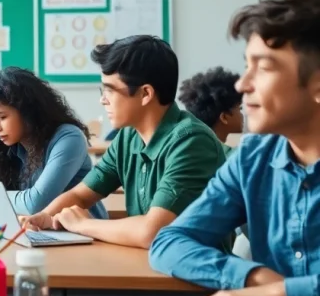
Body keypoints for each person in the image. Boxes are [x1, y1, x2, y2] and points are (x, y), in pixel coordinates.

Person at [150, 0, 320, 296]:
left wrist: (282, 293)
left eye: (264, 68)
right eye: (246, 65)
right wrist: (255, 277)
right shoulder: (253, 158)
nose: (242, 84)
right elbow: (169, 243)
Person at [20, 35, 227, 249]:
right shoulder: (128, 137)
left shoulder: (191, 141)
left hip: (194, 266)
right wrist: (44, 217)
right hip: (147, 261)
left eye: (110, 90)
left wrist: (83, 224)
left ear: (145, 93)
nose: (103, 99)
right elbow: (81, 195)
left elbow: (153, 232)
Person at [0, 67, 107, 220]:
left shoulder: (69, 138)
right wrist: (18, 199)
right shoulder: (7, 147)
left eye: (2, 117)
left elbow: (35, 204)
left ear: (28, 112)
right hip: (40, 230)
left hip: (83, 231)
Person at [178, 66, 243, 151]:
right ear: (224, 117)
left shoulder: (193, 149)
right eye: (240, 109)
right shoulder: (235, 154)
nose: (243, 115)